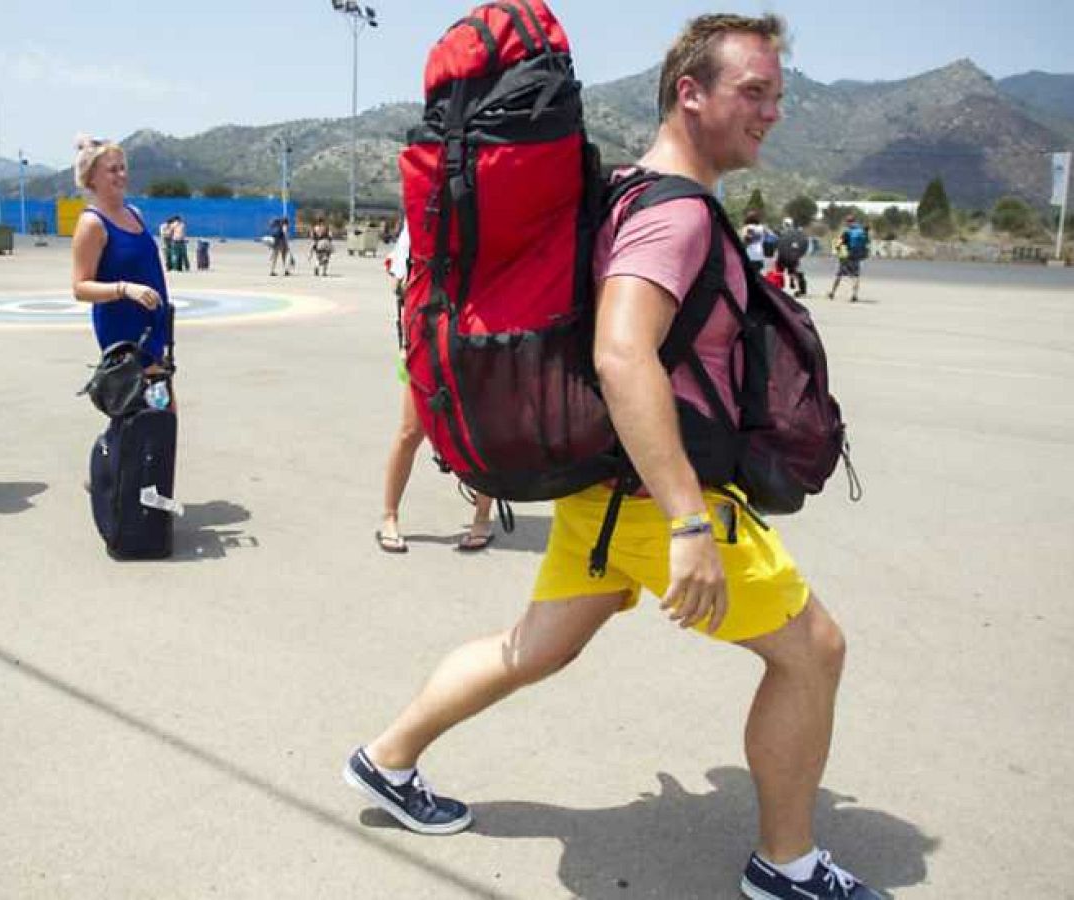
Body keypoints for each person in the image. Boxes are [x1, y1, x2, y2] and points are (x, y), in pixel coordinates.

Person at [344, 14, 882, 900]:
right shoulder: (674, 215)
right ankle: (786, 867)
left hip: (605, 484)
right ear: (690, 93)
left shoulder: (627, 191)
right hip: (652, 492)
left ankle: (386, 758)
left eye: (777, 95)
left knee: (533, 648)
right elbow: (623, 354)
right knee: (813, 650)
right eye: (755, 91)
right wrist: (689, 521)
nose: (772, 111)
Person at [377, 222, 494, 554]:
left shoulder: (485, 212)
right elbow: (397, 276)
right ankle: (389, 515)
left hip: (473, 335)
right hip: (426, 338)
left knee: (479, 433)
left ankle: (483, 516)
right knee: (410, 431)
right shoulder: (421, 220)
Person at [70, 135, 171, 377]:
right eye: (112, 170)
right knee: (141, 410)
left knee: (161, 410)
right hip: (124, 335)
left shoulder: (134, 214)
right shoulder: (92, 224)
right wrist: (125, 289)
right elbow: (80, 287)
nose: (121, 175)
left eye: (123, 168)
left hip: (153, 328)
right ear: (91, 178)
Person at [827, 215, 869, 302]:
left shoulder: (847, 232)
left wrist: (837, 249)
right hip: (857, 257)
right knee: (855, 276)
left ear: (847, 222)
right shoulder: (861, 231)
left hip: (846, 257)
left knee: (839, 275)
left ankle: (832, 292)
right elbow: (867, 243)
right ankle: (854, 294)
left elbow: (839, 244)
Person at [775, 217, 809, 297]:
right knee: (795, 272)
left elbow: (779, 245)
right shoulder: (796, 233)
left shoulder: (784, 233)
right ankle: (801, 289)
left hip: (785, 256)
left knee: (780, 272)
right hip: (791, 256)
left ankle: (778, 288)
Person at [740, 208, 769, 278]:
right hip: (759, 254)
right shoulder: (762, 227)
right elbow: (767, 235)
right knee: (758, 275)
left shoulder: (747, 228)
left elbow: (744, 240)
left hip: (750, 254)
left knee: (749, 276)